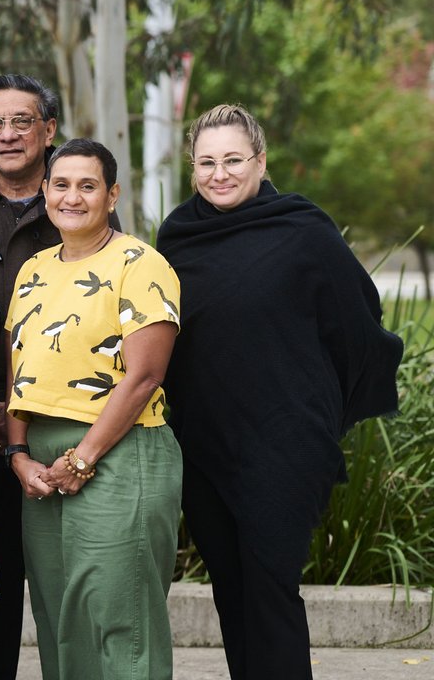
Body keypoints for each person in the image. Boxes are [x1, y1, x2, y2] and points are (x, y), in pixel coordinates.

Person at [157, 104, 403, 680]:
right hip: (205, 444)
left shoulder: (302, 229)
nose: (220, 173)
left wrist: (318, 408)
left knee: (270, 591)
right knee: (232, 592)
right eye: (207, 162)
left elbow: (357, 320)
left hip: (284, 445)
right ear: (192, 167)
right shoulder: (177, 234)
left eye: (234, 160)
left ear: (260, 161)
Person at [0, 74, 114, 679]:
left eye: (22, 121)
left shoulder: (74, 202)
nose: (8, 135)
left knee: (71, 588)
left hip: (63, 428)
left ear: (48, 130)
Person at [4, 138, 181, 680]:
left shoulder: (139, 263)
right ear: (44, 192)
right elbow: (18, 370)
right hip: (41, 459)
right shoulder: (33, 269)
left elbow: (145, 376)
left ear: (111, 195)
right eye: (61, 184)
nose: (72, 197)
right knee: (61, 618)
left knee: (119, 620)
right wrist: (16, 453)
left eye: (87, 186)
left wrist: (83, 458)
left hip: (119, 451)